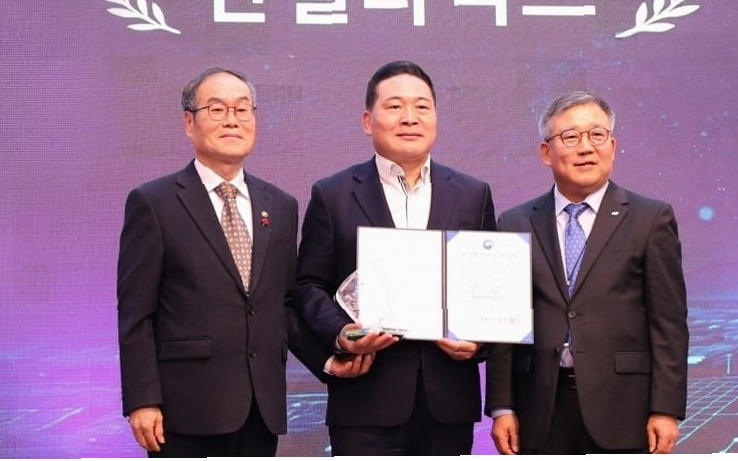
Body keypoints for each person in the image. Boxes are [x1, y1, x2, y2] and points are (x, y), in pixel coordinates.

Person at [293, 60, 498, 455]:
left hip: (447, 401)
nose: (409, 118)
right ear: (367, 121)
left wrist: (479, 342)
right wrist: (343, 334)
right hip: (365, 399)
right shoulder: (333, 194)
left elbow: (487, 286)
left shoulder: (473, 194)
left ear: (436, 118)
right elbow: (308, 286)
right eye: (394, 106)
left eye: (422, 107)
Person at [117, 67, 314, 457]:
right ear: (189, 123)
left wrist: (328, 358)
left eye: (242, 109)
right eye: (217, 109)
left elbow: (283, 304)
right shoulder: (154, 203)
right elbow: (136, 312)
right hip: (184, 410)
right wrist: (142, 399)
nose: (232, 120)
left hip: (259, 409)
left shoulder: (281, 205)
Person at [486, 91, 688, 455]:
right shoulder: (515, 222)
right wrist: (502, 406)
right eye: (570, 137)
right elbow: (505, 327)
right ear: (546, 152)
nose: (586, 148)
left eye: (597, 135)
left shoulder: (650, 218)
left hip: (624, 406)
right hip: (540, 407)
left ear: (612, 146)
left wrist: (666, 408)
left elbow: (669, 323)